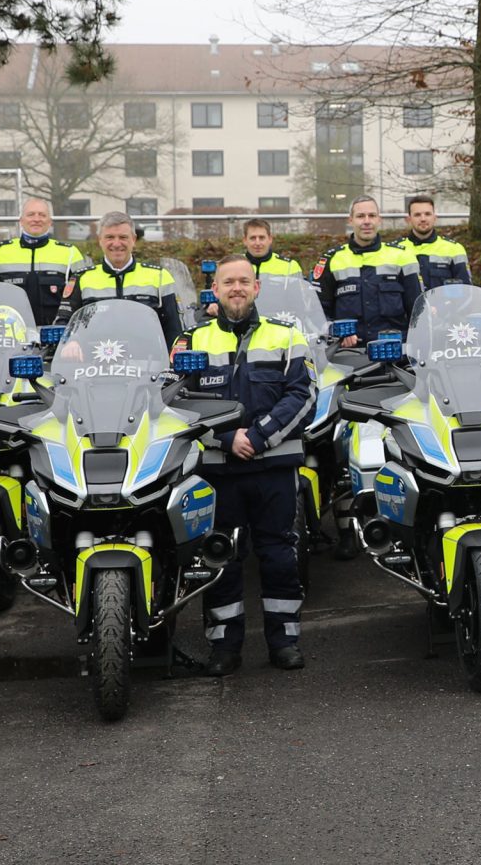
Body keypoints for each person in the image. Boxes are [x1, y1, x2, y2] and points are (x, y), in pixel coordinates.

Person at [178, 256, 315, 672]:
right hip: (218, 471)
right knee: (221, 556)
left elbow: (304, 395)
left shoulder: (288, 336)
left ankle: (284, 641)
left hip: (273, 466)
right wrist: (223, 438)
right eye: (227, 282)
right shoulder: (192, 341)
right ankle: (224, 646)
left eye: (243, 281)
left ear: (256, 288)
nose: (236, 288)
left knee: (279, 555)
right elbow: (177, 403)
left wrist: (255, 438)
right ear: (214, 291)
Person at [57, 210, 186, 346]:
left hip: (147, 362)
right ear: (100, 240)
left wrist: (173, 362)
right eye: (110, 237)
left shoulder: (160, 277)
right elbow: (64, 323)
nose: (117, 243)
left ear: (133, 240)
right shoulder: (81, 278)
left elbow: (175, 329)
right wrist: (72, 342)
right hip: (92, 363)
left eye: (123, 237)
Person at [317, 196, 422, 345]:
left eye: (372, 215)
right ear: (350, 220)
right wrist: (336, 332)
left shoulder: (402, 256)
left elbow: (418, 310)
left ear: (379, 219)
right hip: (347, 354)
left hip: (395, 353)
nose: (367, 221)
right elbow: (318, 312)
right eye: (360, 216)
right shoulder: (332, 259)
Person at [0, 197, 88, 327]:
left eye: (42, 215)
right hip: (9, 334)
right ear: (21, 221)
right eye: (31, 214)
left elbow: (84, 297)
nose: (36, 219)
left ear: (50, 221)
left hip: (54, 336)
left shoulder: (70, 253)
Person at [397, 194, 471, 287]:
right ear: (408, 219)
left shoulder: (454, 249)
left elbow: (466, 290)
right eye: (417, 215)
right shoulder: (396, 251)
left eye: (427, 214)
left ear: (435, 218)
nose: (423, 219)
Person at [237, 218, 306, 279]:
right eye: (253, 238)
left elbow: (299, 293)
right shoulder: (232, 265)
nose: (257, 243)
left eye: (262, 238)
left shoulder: (290, 267)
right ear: (245, 240)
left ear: (270, 239)